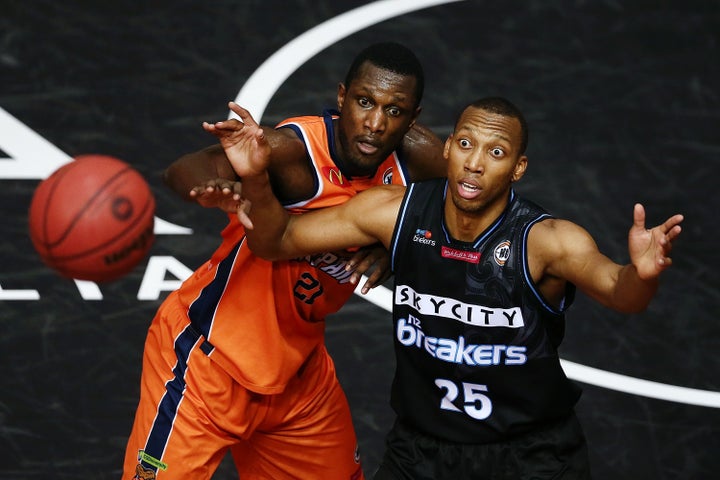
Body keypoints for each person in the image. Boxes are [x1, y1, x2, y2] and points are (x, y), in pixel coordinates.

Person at [207, 97, 684, 479]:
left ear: (517, 168)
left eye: (495, 153)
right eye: (467, 145)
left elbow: (621, 294)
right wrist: (254, 177)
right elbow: (278, 241)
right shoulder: (394, 212)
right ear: (449, 147)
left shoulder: (547, 241)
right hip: (420, 452)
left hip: (531, 456)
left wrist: (640, 274)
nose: (475, 164)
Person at [123, 42, 446, 480]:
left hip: (297, 378)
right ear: (341, 97)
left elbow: (470, 211)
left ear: (413, 118)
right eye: (364, 102)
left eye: (393, 110)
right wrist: (218, 188)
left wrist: (397, 246)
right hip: (205, 365)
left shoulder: (421, 163)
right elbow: (184, 169)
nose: (373, 123)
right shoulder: (296, 155)